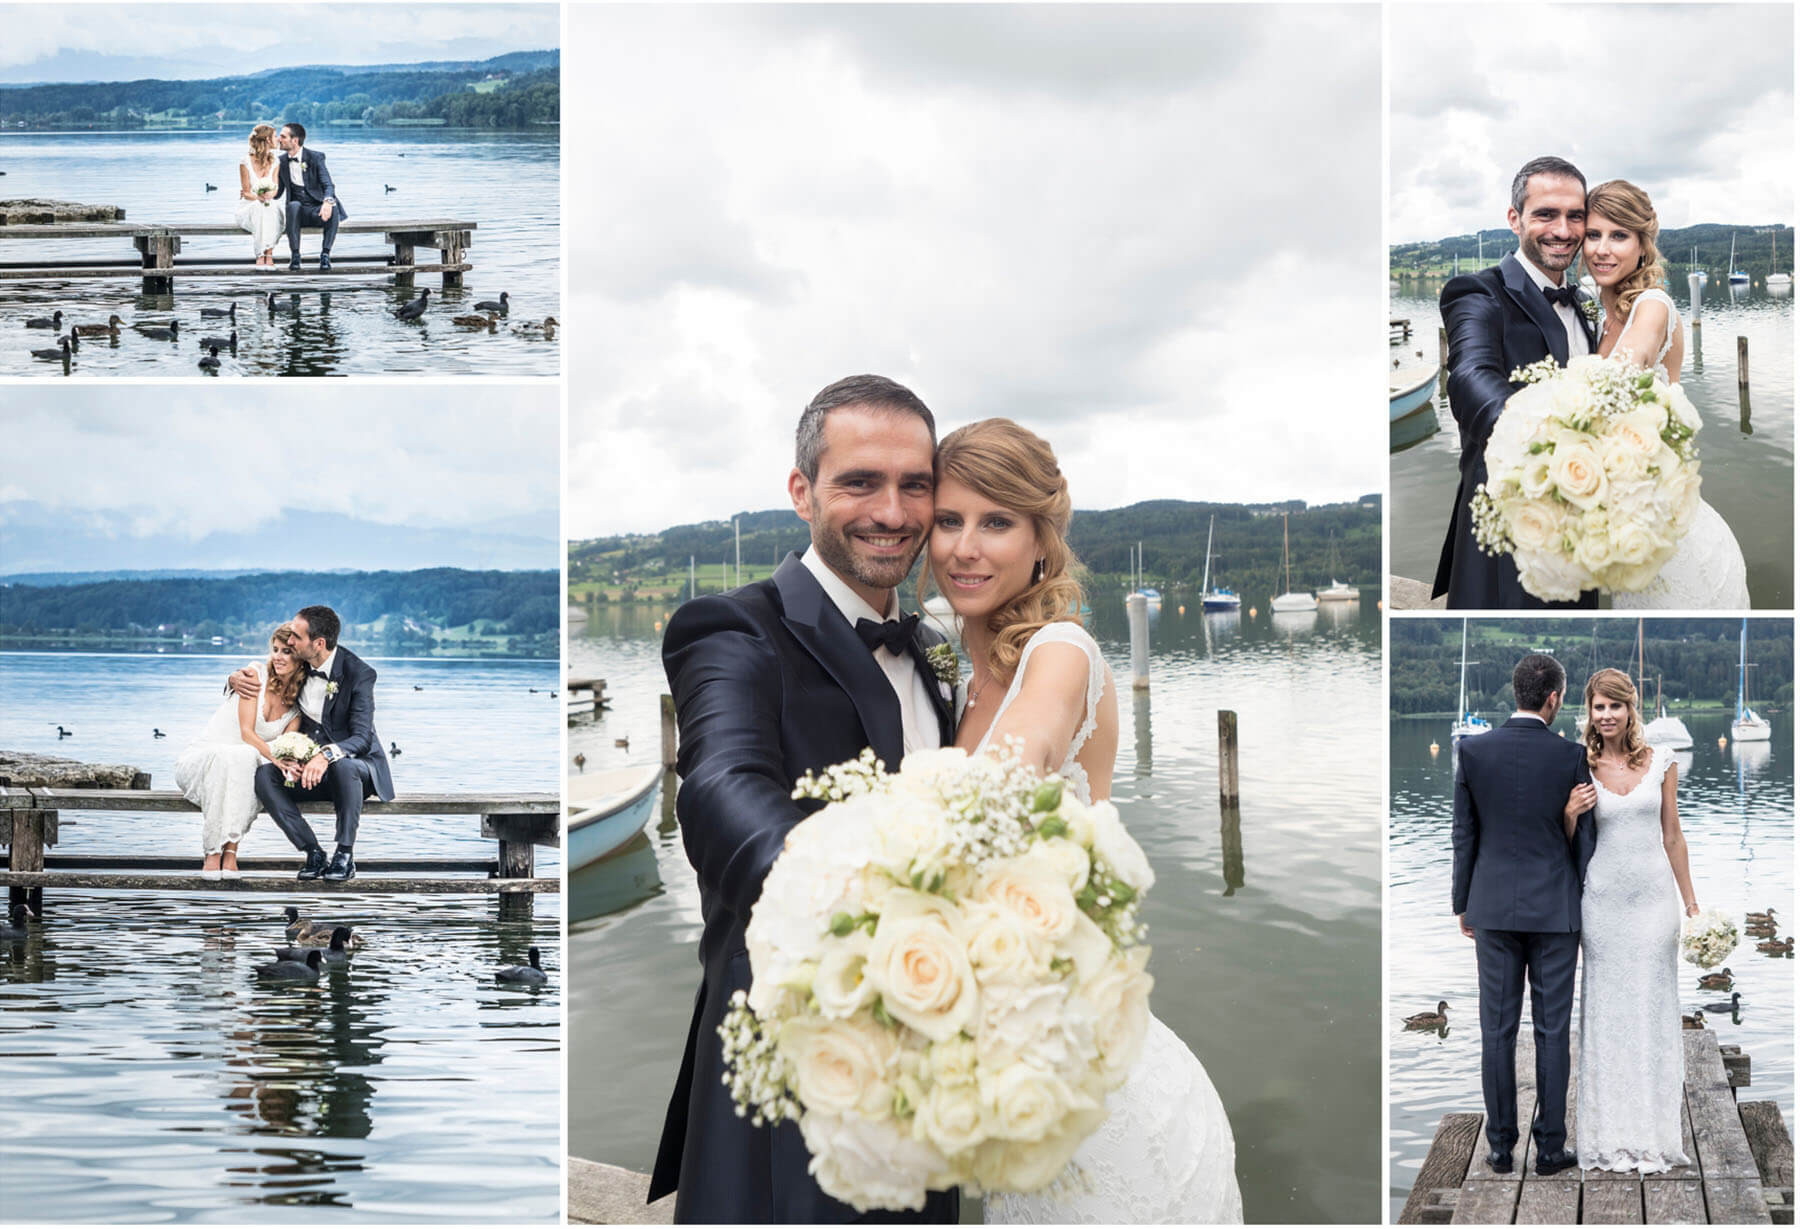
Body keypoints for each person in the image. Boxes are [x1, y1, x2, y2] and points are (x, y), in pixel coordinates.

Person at [651, 375, 960, 1224]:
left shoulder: (934, 644)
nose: (892, 511)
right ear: (802, 490)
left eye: (915, 484)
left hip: (931, 1061)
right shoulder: (732, 627)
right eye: (860, 481)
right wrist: (849, 896)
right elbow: (718, 784)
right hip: (788, 1077)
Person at [926, 418, 1242, 1223]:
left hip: (1088, 1077)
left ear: (1042, 540)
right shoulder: (957, 686)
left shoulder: (1059, 651)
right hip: (1016, 1065)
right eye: (950, 520)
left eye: (996, 522)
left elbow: (1013, 770)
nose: (967, 546)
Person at [1434, 156, 1600, 610]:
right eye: (1546, 214)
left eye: (1575, 216)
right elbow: (1469, 376)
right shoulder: (1476, 292)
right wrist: (1539, 436)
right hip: (1507, 529)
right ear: (1515, 219)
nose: (1563, 231)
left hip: (1585, 522)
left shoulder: (1588, 302)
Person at [1452, 653, 1596, 1175]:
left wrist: (1462, 903)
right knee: (1552, 1032)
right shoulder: (1570, 757)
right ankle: (1551, 1148)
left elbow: (1464, 836)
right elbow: (1587, 845)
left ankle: (1499, 1147)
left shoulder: (1472, 752)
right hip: (1556, 912)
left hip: (1490, 907)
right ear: (1554, 697)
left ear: (1515, 693)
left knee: (1497, 1029)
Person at [1582, 179, 1749, 609]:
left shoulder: (1652, 306)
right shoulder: (1591, 314)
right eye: (1594, 235)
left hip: (1666, 527)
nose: (1603, 249)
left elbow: (1626, 369)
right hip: (1625, 523)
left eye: (1619, 235)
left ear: (1642, 244)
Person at [1575, 668, 1697, 1173]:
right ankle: (1609, 1135)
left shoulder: (1661, 762)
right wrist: (1567, 812)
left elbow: (1672, 837)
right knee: (1606, 1014)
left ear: (1631, 709)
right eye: (1597, 708)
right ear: (1588, 712)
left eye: (1614, 707)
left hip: (1652, 904)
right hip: (1601, 904)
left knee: (1651, 1010)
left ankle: (1653, 1135)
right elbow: (1568, 840)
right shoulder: (1579, 765)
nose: (1605, 716)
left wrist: (1691, 906)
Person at [228, 604, 392, 883]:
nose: (290, 642)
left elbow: (362, 738)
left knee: (345, 767)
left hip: (357, 771)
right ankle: (313, 852)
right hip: (309, 773)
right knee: (265, 775)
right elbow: (265, 673)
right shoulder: (300, 664)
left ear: (318, 643)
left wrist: (326, 755)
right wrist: (232, 679)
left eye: (296, 638)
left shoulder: (359, 674)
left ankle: (344, 855)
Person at [174, 622, 305, 878]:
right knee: (235, 755)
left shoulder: (298, 707)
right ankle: (213, 850)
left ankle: (231, 850)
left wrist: (286, 762)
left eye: (286, 651)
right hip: (203, 760)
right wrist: (273, 758)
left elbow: (287, 744)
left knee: (244, 759)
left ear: (300, 656)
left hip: (243, 768)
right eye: (275, 649)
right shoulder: (255, 675)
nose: (278, 656)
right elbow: (247, 733)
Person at [275, 122, 346, 271]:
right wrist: (260, 191)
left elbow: (328, 184)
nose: (278, 139)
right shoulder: (280, 161)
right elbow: (278, 193)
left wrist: (327, 201)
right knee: (293, 205)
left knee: (333, 207)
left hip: (317, 210)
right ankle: (295, 255)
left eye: (282, 136)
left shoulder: (315, 157)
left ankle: (325, 255)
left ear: (295, 140)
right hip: (297, 214)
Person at [234, 124, 286, 269]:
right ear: (268, 139)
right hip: (249, 207)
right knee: (260, 207)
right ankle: (262, 254)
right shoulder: (245, 161)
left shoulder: (276, 161)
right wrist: (259, 198)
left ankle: (267, 253)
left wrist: (270, 195)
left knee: (271, 206)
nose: (278, 139)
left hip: (267, 206)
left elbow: (275, 189)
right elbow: (246, 192)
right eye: (275, 136)